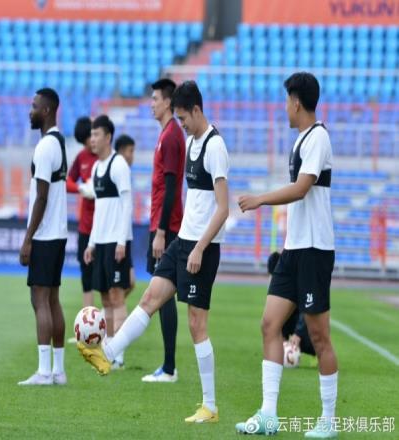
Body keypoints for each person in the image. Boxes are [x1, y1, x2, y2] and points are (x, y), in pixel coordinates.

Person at [78, 81, 230, 424]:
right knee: (149, 298)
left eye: (183, 117)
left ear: (196, 110)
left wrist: (200, 248)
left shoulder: (215, 146)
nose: (181, 124)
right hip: (183, 241)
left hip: (202, 247)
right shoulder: (191, 142)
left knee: (196, 324)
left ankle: (210, 406)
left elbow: (223, 208)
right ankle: (108, 353)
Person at [235, 72, 338, 438]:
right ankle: (268, 414)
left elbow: (301, 189)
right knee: (270, 324)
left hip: (314, 250)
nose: (284, 107)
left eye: (286, 100)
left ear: (296, 101)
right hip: (294, 250)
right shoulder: (301, 139)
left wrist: (260, 199)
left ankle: (328, 420)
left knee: (319, 336)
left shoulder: (318, 137)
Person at [18, 88, 68, 386]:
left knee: (40, 300)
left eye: (35, 106)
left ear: (47, 111)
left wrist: (28, 238)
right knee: (53, 299)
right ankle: (58, 371)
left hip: (45, 235)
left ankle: (44, 371)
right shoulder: (59, 142)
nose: (30, 110)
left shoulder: (45, 147)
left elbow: (41, 197)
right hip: (58, 233)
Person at [141, 78, 185, 383]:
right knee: (163, 294)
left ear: (168, 102)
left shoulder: (170, 137)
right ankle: (168, 366)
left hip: (166, 227)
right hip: (163, 223)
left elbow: (171, 189)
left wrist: (160, 231)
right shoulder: (167, 134)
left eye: (155, 99)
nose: (151, 104)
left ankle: (169, 368)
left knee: (163, 294)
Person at [84, 115, 133, 370]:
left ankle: (119, 354)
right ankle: (109, 348)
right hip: (101, 241)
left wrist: (122, 241)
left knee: (117, 297)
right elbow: (98, 210)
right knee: (104, 298)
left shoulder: (118, 164)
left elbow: (127, 204)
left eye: (96, 135)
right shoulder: (96, 168)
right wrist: (91, 243)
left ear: (108, 137)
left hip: (116, 241)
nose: (92, 139)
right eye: (91, 135)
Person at [66, 117, 97, 311]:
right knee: (86, 275)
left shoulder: (107, 157)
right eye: (85, 142)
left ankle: (108, 316)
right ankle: (89, 319)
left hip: (105, 228)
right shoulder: (81, 157)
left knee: (111, 280)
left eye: (90, 139)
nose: (89, 144)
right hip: (86, 227)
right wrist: (81, 188)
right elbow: (67, 181)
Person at [267, 252, 316, 361]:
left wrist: (298, 334)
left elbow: (307, 308)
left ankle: (316, 352)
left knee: (313, 338)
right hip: (289, 320)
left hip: (301, 322)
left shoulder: (299, 280)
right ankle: (283, 350)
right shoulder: (276, 282)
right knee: (273, 321)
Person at [114, 133, 136, 297]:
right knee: (121, 286)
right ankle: (110, 311)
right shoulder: (119, 168)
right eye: (130, 151)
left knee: (130, 283)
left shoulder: (124, 170)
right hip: (119, 237)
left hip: (125, 236)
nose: (132, 155)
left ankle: (106, 311)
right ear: (121, 151)